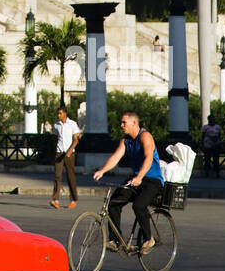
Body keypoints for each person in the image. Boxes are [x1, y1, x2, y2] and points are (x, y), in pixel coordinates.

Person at [93, 112, 164, 254]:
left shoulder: (145, 136)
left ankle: (149, 239)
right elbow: (116, 157)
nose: (121, 125)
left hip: (152, 180)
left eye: (124, 122)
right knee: (113, 203)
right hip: (135, 179)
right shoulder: (125, 140)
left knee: (139, 206)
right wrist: (102, 170)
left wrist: (140, 177)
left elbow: (149, 158)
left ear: (134, 123)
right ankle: (116, 240)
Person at [51, 105, 81, 208]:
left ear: (65, 113)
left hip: (69, 153)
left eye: (60, 113)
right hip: (59, 152)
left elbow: (76, 139)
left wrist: (69, 151)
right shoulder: (56, 125)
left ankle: (73, 199)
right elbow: (55, 138)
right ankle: (55, 200)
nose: (59, 115)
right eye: (58, 113)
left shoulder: (72, 124)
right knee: (57, 175)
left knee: (70, 176)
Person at [201, 114, 222, 178]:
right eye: (211, 119)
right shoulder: (205, 127)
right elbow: (203, 136)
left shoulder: (218, 127)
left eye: (213, 119)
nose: (212, 120)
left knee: (216, 159)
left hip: (216, 145)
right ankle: (207, 172)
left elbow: (219, 135)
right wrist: (202, 144)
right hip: (207, 145)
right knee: (207, 159)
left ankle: (217, 172)